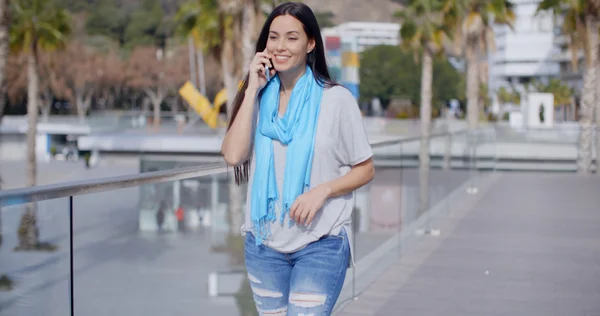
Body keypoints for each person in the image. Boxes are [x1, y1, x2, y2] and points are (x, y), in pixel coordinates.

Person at [221, 2, 375, 315]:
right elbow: (233, 154)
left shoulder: (337, 100)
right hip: (264, 246)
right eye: (273, 37)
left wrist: (324, 190)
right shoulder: (258, 98)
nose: (280, 46)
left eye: (292, 38)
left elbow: (366, 169)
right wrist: (251, 90)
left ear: (310, 43)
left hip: (321, 242)